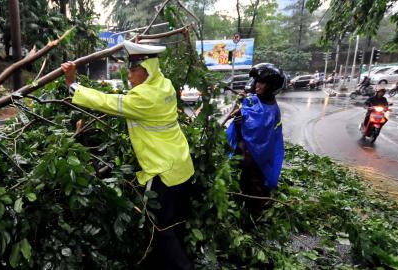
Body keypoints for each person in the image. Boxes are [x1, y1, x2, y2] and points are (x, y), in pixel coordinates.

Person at [61, 40, 195, 270]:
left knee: (160, 230)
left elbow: (108, 102)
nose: (129, 75)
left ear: (148, 71)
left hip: (163, 172)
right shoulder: (165, 85)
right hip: (181, 166)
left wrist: (73, 84)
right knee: (172, 226)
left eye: (134, 70)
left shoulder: (144, 98)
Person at [226, 63, 285, 213]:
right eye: (257, 82)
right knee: (245, 180)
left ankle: (256, 213)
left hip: (258, 154)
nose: (257, 85)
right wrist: (240, 106)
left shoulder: (270, 110)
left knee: (254, 182)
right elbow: (245, 108)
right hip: (249, 153)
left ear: (271, 87)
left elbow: (258, 133)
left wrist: (242, 121)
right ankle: (246, 205)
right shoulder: (257, 100)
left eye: (262, 83)